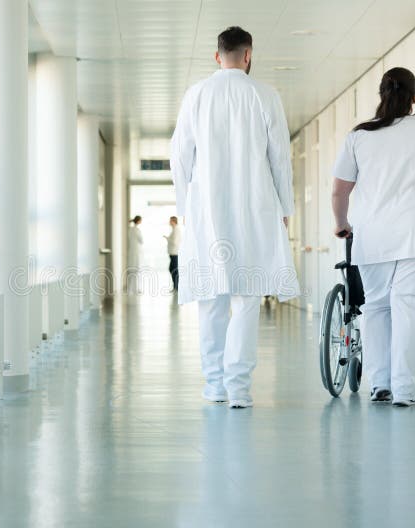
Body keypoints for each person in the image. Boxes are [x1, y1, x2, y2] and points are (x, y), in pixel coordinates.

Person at [171, 26, 300, 409]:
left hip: (207, 212)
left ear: (217, 56)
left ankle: (214, 385)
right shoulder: (265, 95)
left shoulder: (196, 95)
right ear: (248, 55)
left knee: (211, 298)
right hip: (254, 209)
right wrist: (285, 208)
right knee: (246, 299)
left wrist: (185, 207)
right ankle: (239, 388)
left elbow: (180, 156)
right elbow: (280, 157)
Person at [331, 67, 415, 407]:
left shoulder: (359, 136)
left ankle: (380, 384)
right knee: (409, 306)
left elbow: (339, 190)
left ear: (381, 95)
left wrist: (341, 222)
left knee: (376, 307)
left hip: (373, 234)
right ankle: (404, 389)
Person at [163, 216, 182, 292]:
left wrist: (167, 238)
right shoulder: (174, 229)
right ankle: (176, 287)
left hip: (175, 253)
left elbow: (175, 242)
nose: (169, 222)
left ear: (174, 221)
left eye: (170, 221)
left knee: (174, 270)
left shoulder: (176, 230)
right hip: (172, 253)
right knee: (173, 269)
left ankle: (177, 287)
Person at [126, 215, 143, 295]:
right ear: (138, 221)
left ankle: (130, 289)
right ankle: (135, 289)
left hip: (131, 251)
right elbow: (141, 240)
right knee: (135, 271)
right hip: (135, 252)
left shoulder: (130, 229)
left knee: (131, 271)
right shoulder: (137, 230)